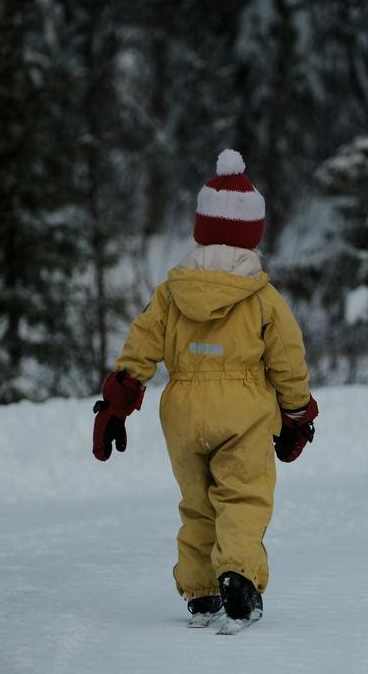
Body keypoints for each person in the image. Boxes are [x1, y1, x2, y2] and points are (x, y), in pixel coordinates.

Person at [92, 149, 319, 625]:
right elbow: (288, 360)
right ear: (253, 234)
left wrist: (116, 403)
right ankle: (237, 576)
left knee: (196, 503)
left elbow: (141, 346)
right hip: (242, 412)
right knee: (242, 495)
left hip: (182, 412)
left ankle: (200, 591)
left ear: (202, 228)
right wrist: (297, 413)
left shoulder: (172, 292)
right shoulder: (263, 298)